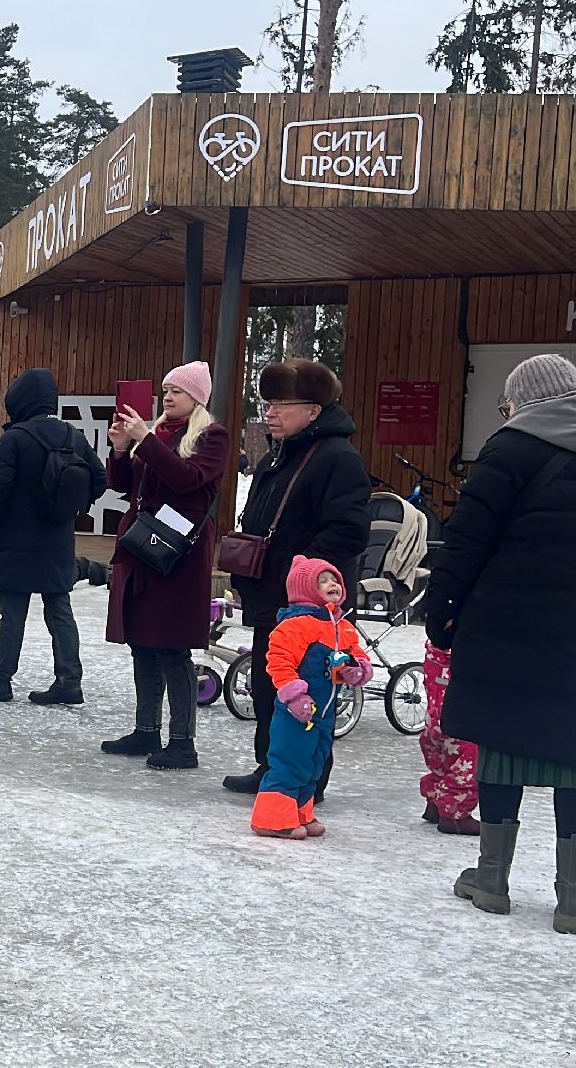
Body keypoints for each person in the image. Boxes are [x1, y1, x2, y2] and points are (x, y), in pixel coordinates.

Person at [431, 353, 576, 935]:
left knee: (503, 743)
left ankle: (492, 879)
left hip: (507, 623)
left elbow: (465, 542)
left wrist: (443, 615)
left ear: (522, 401)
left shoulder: (508, 449)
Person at [221, 359, 370, 798]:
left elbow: (348, 532)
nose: (270, 412)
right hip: (276, 598)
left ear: (314, 410)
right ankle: (274, 767)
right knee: (273, 684)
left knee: (309, 691)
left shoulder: (338, 458)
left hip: (312, 609)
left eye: (283, 404)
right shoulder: (280, 454)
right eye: (268, 403)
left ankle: (306, 780)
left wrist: (304, 577)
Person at [98, 361, 232, 770]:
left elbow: (187, 480)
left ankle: (182, 741)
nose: (169, 396)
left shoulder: (212, 436)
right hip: (143, 547)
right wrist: (122, 448)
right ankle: (146, 730)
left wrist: (145, 441)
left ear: (197, 398)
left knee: (172, 647)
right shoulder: (157, 432)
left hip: (178, 555)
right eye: (166, 389)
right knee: (142, 641)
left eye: (178, 391)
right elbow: (125, 485)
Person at [0, 368, 107, 706]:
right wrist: (69, 508)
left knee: (12, 612)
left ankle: (0, 678)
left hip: (16, 539)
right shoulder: (72, 435)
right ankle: (69, 681)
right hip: (57, 539)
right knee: (59, 610)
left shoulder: (15, 438)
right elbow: (99, 479)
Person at [251, 556, 373, 839]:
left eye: (334, 579)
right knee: (289, 760)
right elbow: (279, 661)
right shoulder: (296, 625)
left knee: (313, 763)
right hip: (297, 712)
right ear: (304, 590)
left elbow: (355, 654)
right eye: (322, 581)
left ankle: (299, 813)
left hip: (325, 712)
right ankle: (271, 818)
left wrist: (356, 670)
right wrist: (294, 695)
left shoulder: (341, 625)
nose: (332, 584)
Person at [417, 643, 478, 835]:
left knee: (441, 744)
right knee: (470, 751)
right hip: (466, 656)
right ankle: (454, 813)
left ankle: (436, 801)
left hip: (441, 655)